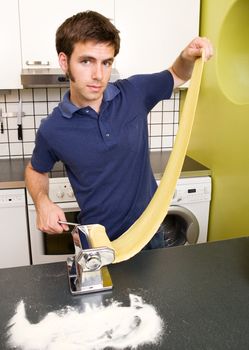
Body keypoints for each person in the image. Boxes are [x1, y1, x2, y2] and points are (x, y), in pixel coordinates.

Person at [25, 10, 213, 250]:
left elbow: (177, 74)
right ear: (64, 62)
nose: (98, 75)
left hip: (150, 235)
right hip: (100, 244)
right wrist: (42, 202)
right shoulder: (53, 129)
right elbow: (34, 170)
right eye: (86, 61)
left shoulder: (134, 93)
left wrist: (188, 55)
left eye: (106, 63)